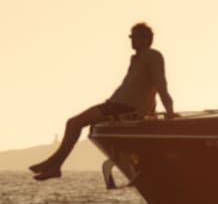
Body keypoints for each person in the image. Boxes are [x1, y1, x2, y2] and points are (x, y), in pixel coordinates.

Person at [29, 22, 174, 181]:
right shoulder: (136, 58)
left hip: (124, 107)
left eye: (136, 37)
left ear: (147, 39)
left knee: (75, 123)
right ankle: (54, 164)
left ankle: (54, 165)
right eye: (131, 37)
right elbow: (145, 88)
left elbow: (160, 85)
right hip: (116, 104)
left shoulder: (153, 56)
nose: (132, 40)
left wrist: (168, 112)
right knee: (73, 123)